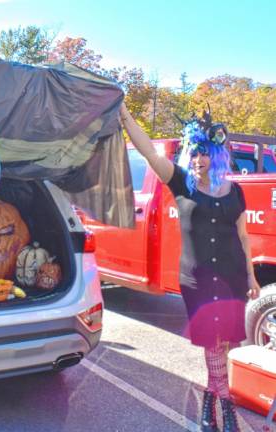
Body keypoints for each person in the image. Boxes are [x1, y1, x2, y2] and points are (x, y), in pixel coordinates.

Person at [119, 103, 261, 432]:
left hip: (232, 279)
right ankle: (226, 405)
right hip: (198, 281)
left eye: (204, 153)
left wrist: (252, 275)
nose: (198, 160)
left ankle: (210, 397)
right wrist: (125, 116)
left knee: (226, 341)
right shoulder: (182, 183)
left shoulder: (235, 191)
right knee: (212, 342)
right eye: (193, 153)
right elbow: (150, 155)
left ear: (216, 154)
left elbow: (242, 236)